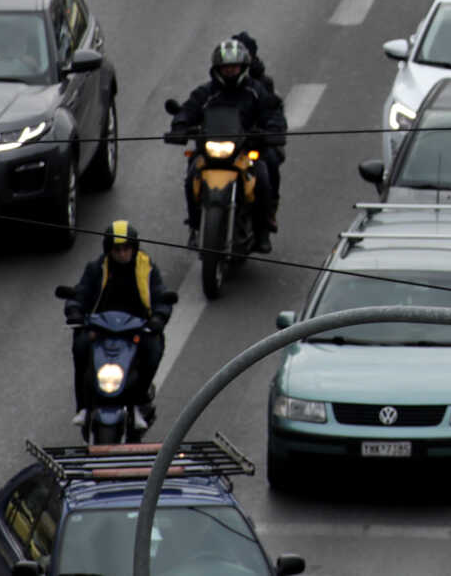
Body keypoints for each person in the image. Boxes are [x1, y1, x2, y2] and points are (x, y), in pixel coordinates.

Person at [165, 37, 288, 252]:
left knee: (264, 176)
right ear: (217, 69)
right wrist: (180, 126)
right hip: (212, 149)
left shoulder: (256, 90)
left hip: (246, 149)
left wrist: (273, 130)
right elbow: (188, 109)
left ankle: (262, 230)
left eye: (234, 67)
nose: (230, 71)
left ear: (243, 67)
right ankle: (195, 226)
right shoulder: (206, 92)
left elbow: (272, 112)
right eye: (226, 68)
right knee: (191, 174)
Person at [64, 220, 169, 422]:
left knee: (154, 350)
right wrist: (74, 311)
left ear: (134, 248)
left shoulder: (146, 268)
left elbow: (160, 295)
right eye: (117, 249)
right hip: (100, 329)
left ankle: (140, 400)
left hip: (137, 330)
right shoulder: (96, 268)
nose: (122, 253)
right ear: (108, 250)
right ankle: (83, 407)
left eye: (126, 248)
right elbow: (80, 292)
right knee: (80, 349)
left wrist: (159, 317)